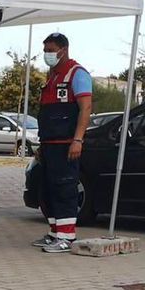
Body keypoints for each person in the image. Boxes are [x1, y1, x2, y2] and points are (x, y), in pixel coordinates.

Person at [33, 32, 92, 253]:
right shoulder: (53, 76)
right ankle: (55, 232)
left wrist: (78, 139)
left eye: (50, 51)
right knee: (47, 189)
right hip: (50, 143)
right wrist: (42, 144)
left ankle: (67, 236)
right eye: (45, 51)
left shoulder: (77, 74)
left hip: (66, 143)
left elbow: (85, 108)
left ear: (63, 50)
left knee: (65, 187)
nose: (47, 55)